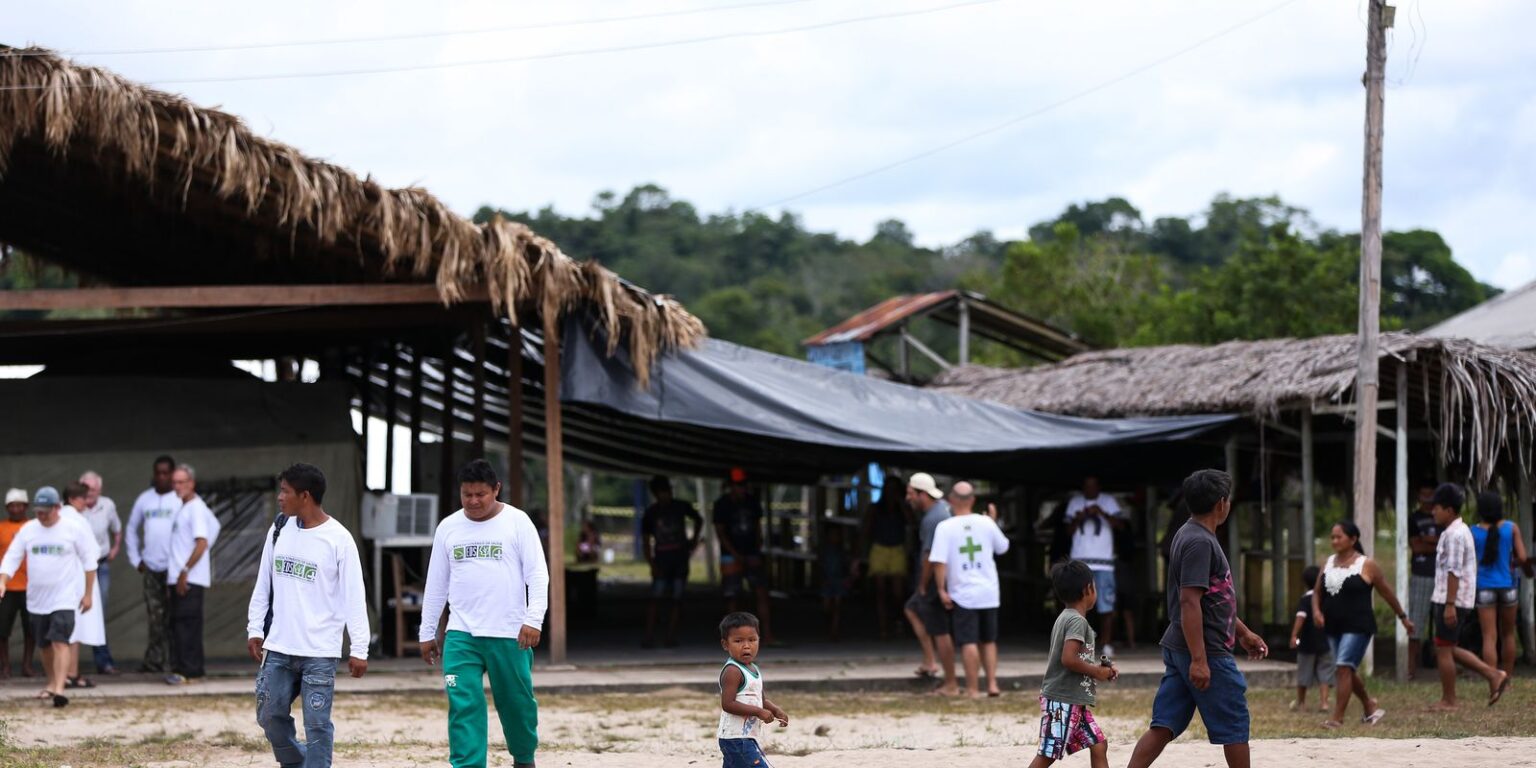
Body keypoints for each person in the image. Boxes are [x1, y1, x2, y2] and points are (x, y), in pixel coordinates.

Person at [1125, 469, 1268, 768]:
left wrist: (1243, 632)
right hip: (1205, 650)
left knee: (1164, 724)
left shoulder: (1188, 533)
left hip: (1182, 646)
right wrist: (1200, 659)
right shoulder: (1200, 542)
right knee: (1235, 725)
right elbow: (1189, 601)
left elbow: (1213, 600)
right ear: (1221, 504)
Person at [419, 459, 549, 768]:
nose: (474, 502)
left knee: (517, 705)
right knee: (464, 704)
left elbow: (538, 575)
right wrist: (427, 632)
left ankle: (523, 757)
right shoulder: (448, 527)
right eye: (467, 495)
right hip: (461, 634)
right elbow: (436, 584)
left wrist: (533, 619)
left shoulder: (518, 522)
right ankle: (468, 764)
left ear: (496, 490)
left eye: (481, 494)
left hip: (509, 633)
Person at [247, 463, 370, 768]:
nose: (279, 497)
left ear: (305, 496)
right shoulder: (278, 529)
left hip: (319, 650)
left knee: (316, 725)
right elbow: (264, 580)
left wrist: (359, 648)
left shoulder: (338, 539)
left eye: (285, 491)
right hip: (279, 646)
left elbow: (354, 596)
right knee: (268, 715)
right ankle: (296, 761)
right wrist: (255, 628)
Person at [0, 486, 97, 707]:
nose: (41, 515)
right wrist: (3, 580)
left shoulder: (72, 529)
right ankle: (52, 683)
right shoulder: (28, 530)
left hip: (64, 597)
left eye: (46, 511)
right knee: (44, 645)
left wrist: (88, 594)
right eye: (38, 511)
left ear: (57, 508)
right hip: (37, 599)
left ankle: (61, 690)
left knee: (60, 641)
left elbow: (89, 562)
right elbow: (12, 557)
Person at [1312, 520, 1414, 728]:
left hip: (1358, 626)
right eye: (1332, 537)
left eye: (1339, 537)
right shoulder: (1328, 563)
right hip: (1332, 626)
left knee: (1342, 667)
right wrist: (1316, 611)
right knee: (1346, 670)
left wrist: (1403, 618)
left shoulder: (1366, 565)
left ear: (1353, 539)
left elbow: (1387, 593)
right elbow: (1317, 592)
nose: (1334, 541)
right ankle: (1369, 705)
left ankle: (1337, 718)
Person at [1425, 483, 1510, 710]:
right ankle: (1493, 675)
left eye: (1437, 508)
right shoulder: (1459, 531)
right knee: (1448, 646)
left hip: (1450, 599)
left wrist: (1450, 604)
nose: (1433, 511)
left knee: (1443, 649)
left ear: (1450, 510)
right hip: (1452, 597)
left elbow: (1454, 570)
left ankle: (1449, 700)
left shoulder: (1454, 534)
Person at [1032, 560, 1118, 768]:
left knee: (1099, 744)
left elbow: (1075, 658)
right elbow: (1068, 659)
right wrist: (1097, 672)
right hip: (1063, 700)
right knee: (1048, 754)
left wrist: (1100, 669)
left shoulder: (1066, 617)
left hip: (1073, 701)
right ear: (1088, 589)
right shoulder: (1076, 621)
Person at [930, 481, 1009, 699]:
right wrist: (992, 522)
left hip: (962, 593)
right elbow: (1003, 547)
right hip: (989, 591)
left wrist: (940, 589)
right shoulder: (986, 522)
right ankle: (992, 684)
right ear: (973, 500)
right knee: (989, 640)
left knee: (968, 641)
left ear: (951, 500)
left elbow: (938, 562)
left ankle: (973, 688)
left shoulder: (945, 527)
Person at [126, 455, 180, 673]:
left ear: (173, 474)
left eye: (166, 473)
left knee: (174, 616)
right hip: (151, 568)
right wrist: (136, 559)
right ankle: (154, 661)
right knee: (155, 617)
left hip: (174, 568)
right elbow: (131, 529)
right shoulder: (144, 499)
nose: (161, 477)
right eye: (158, 473)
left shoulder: (179, 499)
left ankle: (173, 660)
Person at [717, 611, 788, 768]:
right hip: (736, 738)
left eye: (752, 640)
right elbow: (728, 704)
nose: (746, 646)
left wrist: (775, 710)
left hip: (747, 737)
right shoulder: (733, 671)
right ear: (725, 644)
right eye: (738, 641)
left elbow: (760, 700)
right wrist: (758, 712)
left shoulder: (753, 669)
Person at [902, 472, 953, 687]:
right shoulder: (943, 509)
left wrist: (923, 585)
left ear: (923, 494)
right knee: (913, 610)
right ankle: (930, 660)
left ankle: (939, 669)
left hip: (935, 578)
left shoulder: (932, 518)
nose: (908, 498)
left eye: (911, 493)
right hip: (944, 575)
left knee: (937, 626)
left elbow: (929, 557)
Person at [1471, 490, 1528, 682]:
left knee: (1489, 637)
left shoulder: (1474, 531)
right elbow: (1522, 557)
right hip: (1508, 586)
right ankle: (1508, 678)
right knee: (1508, 635)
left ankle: (1493, 679)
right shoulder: (1511, 528)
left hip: (1484, 588)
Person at [640, 475, 703, 649]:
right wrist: (652, 564)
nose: (664, 495)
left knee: (676, 598)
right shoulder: (651, 513)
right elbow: (645, 541)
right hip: (662, 558)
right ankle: (649, 635)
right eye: (661, 492)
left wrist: (693, 540)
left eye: (666, 492)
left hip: (679, 558)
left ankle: (670, 635)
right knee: (656, 598)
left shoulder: (680, 507)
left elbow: (699, 519)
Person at [1064, 477, 1125, 657]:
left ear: (1099, 486)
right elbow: (1067, 531)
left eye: (1093, 485)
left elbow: (1121, 526)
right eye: (1086, 486)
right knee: (1077, 604)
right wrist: (1078, 518)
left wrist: (1102, 513)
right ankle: (1078, 644)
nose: (1090, 489)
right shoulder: (1075, 502)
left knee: (1106, 604)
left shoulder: (1108, 501)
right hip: (1080, 562)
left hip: (1103, 563)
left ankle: (1106, 644)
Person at [714, 468, 774, 644]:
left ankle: (767, 634)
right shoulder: (722, 505)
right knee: (733, 597)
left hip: (751, 553)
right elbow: (721, 533)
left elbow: (757, 529)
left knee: (761, 593)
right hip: (731, 556)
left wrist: (756, 550)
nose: (740, 489)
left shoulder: (752, 503)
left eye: (742, 485)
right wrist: (735, 554)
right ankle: (733, 638)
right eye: (737, 485)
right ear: (730, 486)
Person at [165, 464, 213, 685]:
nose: (178, 486)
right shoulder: (184, 507)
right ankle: (185, 669)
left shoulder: (195, 507)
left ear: (191, 483)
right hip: (179, 576)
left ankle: (190, 671)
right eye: (175, 482)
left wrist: (185, 570)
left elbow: (202, 542)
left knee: (187, 625)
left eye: (182, 482)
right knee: (178, 624)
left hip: (189, 578)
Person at [61, 483, 107, 690]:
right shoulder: (78, 520)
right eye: (83, 498)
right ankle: (68, 674)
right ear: (72, 499)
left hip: (62, 578)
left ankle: (69, 673)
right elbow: (93, 551)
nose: (86, 503)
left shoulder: (58, 519)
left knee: (68, 627)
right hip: (78, 577)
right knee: (73, 627)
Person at [78, 471, 121, 675]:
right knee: (70, 612)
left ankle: (103, 662)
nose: (89, 493)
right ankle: (68, 667)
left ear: (100, 490)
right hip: (77, 567)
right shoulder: (72, 508)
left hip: (100, 566)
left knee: (98, 612)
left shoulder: (108, 505)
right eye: (85, 489)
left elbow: (117, 529)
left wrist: (115, 548)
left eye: (93, 489)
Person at [860, 473, 911, 640]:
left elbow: (912, 523)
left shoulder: (902, 508)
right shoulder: (875, 508)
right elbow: (866, 530)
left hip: (897, 548)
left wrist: (901, 504)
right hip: (879, 548)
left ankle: (897, 619)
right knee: (880, 591)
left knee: (898, 592)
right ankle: (883, 627)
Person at [0, 488, 37, 678]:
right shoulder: (1, 528)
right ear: (7, 508)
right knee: (2, 630)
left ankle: (27, 665)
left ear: (26, 507)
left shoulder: (34, 527)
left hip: (30, 587)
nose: (16, 509)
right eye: (12, 506)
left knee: (31, 630)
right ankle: (5, 666)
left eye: (19, 506)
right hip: (7, 588)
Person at [1405, 482, 1440, 678]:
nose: (1427, 500)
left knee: (1445, 623)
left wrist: (1428, 541)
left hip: (1442, 576)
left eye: (1431, 495)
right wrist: (1438, 543)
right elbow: (1416, 547)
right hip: (1422, 575)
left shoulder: (1442, 517)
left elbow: (1447, 543)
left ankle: (1443, 665)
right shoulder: (1413, 519)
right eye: (1424, 495)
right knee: (1415, 623)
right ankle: (1410, 668)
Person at [1287, 565, 1332, 713]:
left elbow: (1301, 617)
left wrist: (1294, 635)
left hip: (1307, 643)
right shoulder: (1328, 597)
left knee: (1304, 673)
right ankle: (1324, 703)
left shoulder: (1306, 599)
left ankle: (1301, 703)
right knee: (1324, 673)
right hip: (1326, 641)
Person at [818, 523, 852, 641]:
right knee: (826, 608)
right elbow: (820, 566)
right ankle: (828, 627)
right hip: (827, 581)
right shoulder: (824, 551)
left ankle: (834, 630)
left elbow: (846, 566)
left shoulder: (842, 551)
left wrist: (848, 578)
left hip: (839, 581)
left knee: (837, 606)